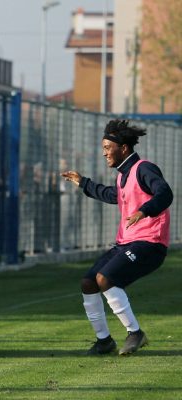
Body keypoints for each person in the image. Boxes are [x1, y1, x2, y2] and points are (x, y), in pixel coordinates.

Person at [61, 119, 173, 356]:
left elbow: (165, 193)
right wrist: (83, 183)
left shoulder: (144, 168)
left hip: (150, 244)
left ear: (123, 148)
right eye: (103, 148)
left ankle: (135, 333)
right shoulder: (123, 175)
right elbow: (113, 195)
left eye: (107, 148)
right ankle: (104, 341)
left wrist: (145, 210)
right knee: (88, 282)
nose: (104, 153)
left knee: (106, 278)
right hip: (127, 242)